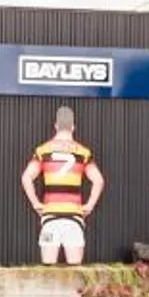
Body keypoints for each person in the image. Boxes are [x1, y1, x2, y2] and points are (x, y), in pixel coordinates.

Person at [19, 105, 104, 264]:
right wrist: (89, 206)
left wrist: (36, 203)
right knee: (75, 270)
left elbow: (26, 177)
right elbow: (98, 180)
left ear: (56, 126)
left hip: (50, 218)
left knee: (48, 269)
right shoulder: (83, 152)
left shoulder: (43, 150)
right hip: (74, 218)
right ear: (73, 127)